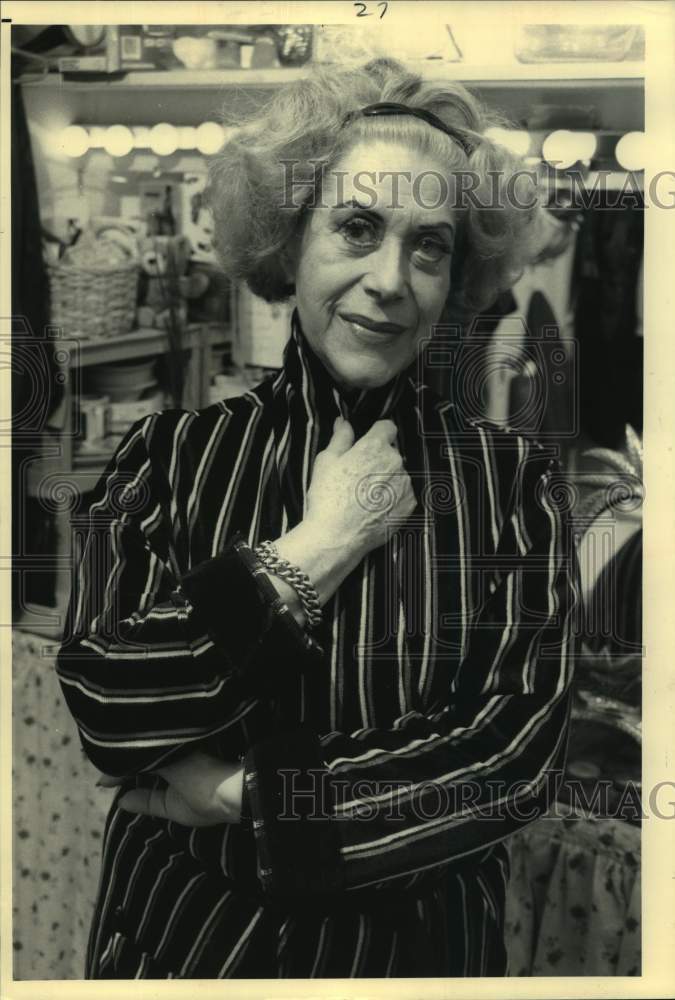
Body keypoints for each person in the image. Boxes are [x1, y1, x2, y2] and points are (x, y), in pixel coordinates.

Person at [56, 58, 578, 979]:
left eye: (428, 245)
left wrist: (244, 794)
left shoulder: (511, 484)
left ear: (458, 274)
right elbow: (106, 698)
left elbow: (508, 757)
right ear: (288, 239)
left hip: (413, 958)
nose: (389, 279)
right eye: (356, 227)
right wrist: (312, 550)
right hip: (185, 947)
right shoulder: (167, 458)